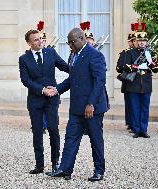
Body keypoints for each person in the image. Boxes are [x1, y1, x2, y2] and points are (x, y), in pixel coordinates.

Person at [47, 28, 109, 181]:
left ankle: (99, 171)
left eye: (73, 42)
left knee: (95, 139)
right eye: (69, 43)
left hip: (92, 107)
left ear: (82, 38)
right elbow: (72, 79)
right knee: (71, 137)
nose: (70, 46)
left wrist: (91, 104)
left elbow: (99, 81)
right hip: (76, 107)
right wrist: (57, 90)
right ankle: (65, 169)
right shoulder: (73, 55)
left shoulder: (95, 55)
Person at [19, 29, 69, 174]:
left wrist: (80, 70)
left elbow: (65, 67)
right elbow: (25, 80)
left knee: (53, 130)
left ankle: (55, 164)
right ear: (29, 43)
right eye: (36, 40)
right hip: (35, 100)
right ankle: (39, 165)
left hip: (51, 100)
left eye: (41, 38)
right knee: (37, 132)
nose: (40, 41)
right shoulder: (24, 59)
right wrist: (42, 90)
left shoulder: (50, 53)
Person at [123, 22, 158, 138]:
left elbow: (155, 69)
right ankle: (136, 129)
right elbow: (124, 66)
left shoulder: (151, 53)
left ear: (146, 41)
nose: (141, 42)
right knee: (134, 107)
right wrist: (132, 67)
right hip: (134, 83)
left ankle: (144, 129)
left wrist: (152, 64)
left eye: (144, 40)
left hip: (146, 83)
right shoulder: (130, 52)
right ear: (136, 41)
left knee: (144, 107)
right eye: (139, 40)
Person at [116, 23, 136, 132]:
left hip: (137, 81)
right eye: (132, 41)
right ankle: (130, 122)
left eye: (134, 41)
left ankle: (134, 124)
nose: (133, 43)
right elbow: (119, 67)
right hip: (128, 80)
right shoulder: (125, 53)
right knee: (130, 104)